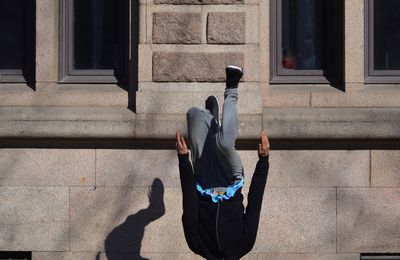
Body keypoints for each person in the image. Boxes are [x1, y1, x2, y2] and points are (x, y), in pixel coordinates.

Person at [175, 65, 270, 259]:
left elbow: (190, 201)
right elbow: (255, 202)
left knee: (194, 116)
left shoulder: (196, 244)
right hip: (230, 180)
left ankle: (211, 118)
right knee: (225, 142)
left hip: (203, 179)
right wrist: (263, 160)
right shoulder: (245, 244)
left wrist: (184, 160)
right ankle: (232, 88)